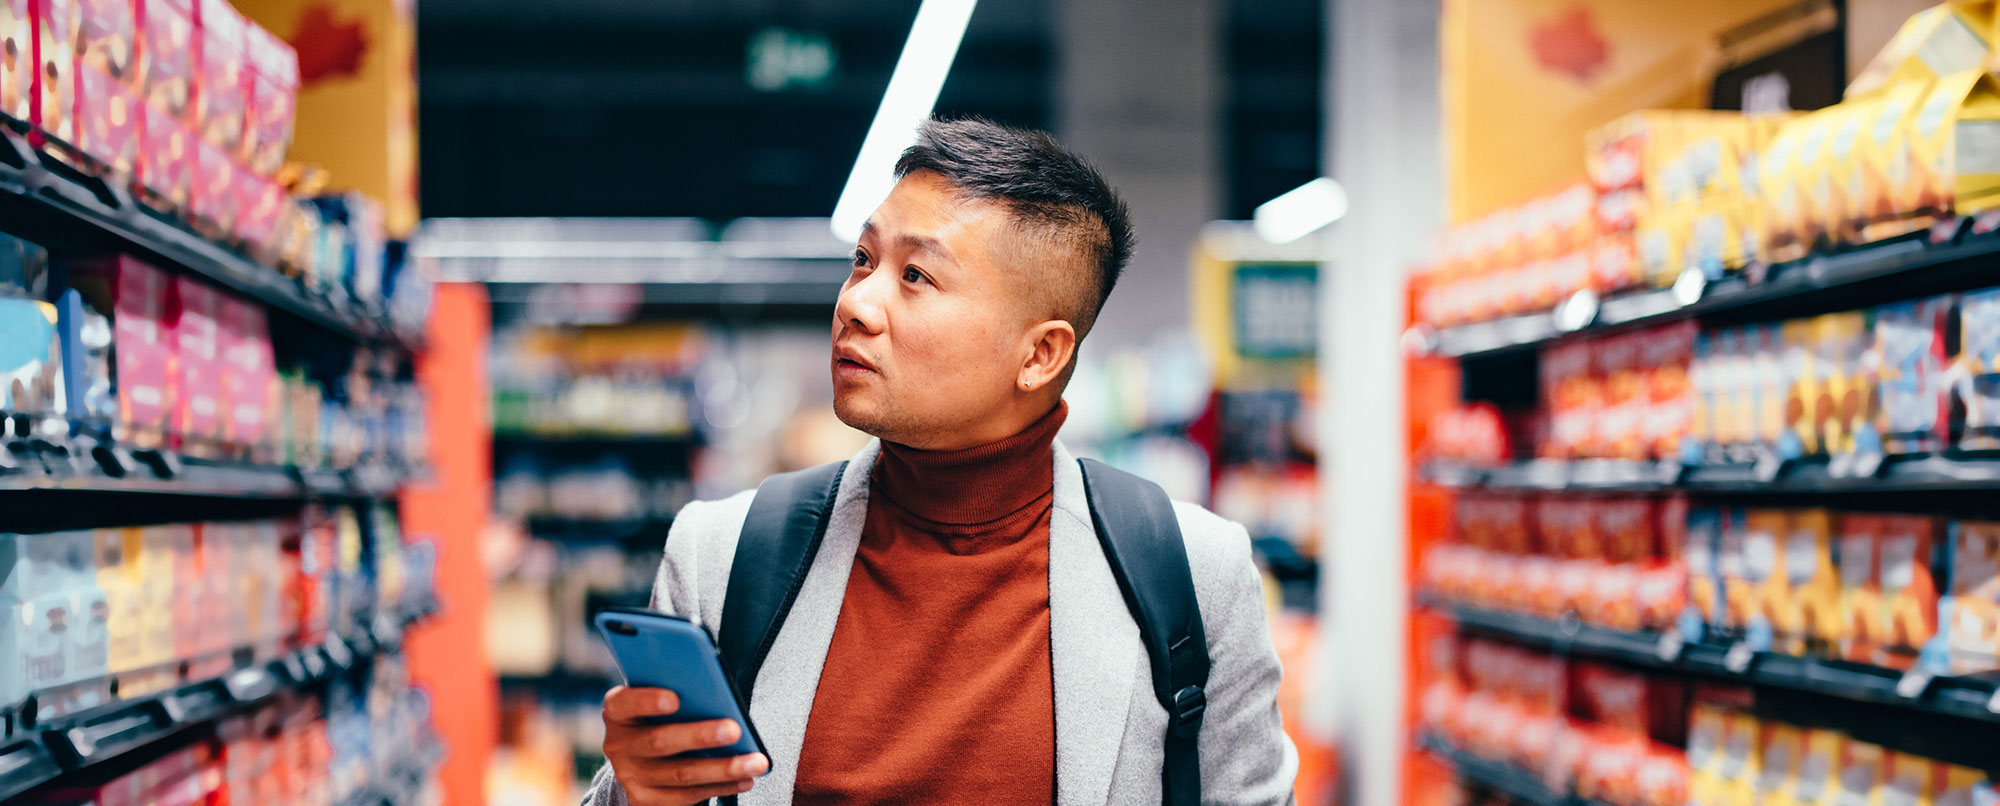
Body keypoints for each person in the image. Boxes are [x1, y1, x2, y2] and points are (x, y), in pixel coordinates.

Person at [584, 117, 1298, 806]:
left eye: (917, 276)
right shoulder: (722, 558)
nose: (857, 303)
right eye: (863, 260)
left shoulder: (1192, 578)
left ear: (1040, 355)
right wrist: (637, 794)